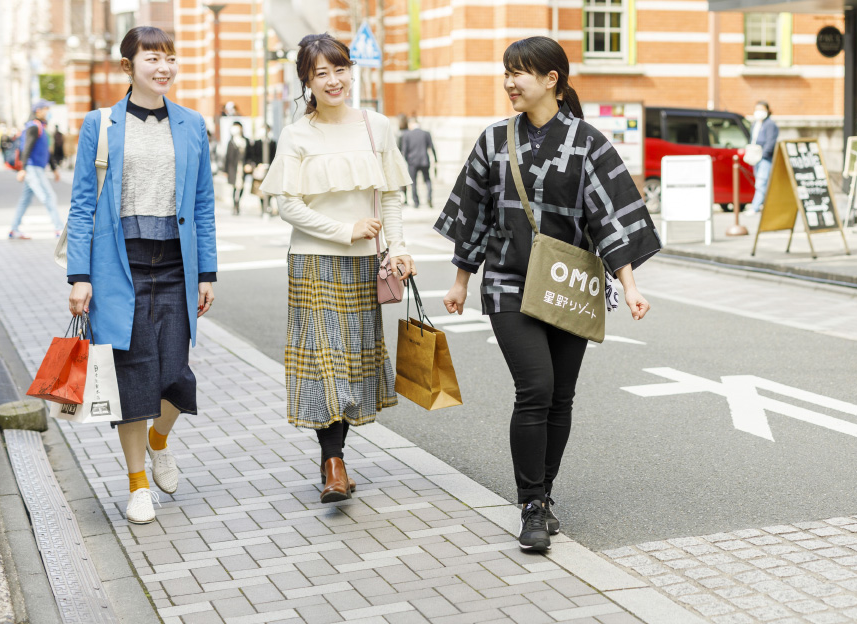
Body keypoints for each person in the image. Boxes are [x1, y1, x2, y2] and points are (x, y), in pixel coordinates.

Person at [437, 36, 660, 553]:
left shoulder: (588, 143)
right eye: (507, 72)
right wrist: (461, 280)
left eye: (520, 73)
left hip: (568, 287)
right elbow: (474, 214)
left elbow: (610, 218)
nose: (510, 82)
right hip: (509, 283)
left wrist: (629, 286)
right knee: (535, 388)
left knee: (561, 396)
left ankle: (547, 493)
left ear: (551, 80)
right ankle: (531, 503)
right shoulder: (493, 141)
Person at [65, 26, 217, 525]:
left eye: (170, 58)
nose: (164, 67)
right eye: (152, 57)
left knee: (174, 374)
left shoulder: (192, 125)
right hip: (118, 266)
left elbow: (202, 205)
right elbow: (84, 203)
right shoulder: (101, 124)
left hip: (176, 264)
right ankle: (136, 484)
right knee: (132, 378)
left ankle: (159, 439)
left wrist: (207, 272)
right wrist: (80, 275)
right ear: (128, 66)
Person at [259, 33, 415, 504]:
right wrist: (344, 229)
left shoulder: (376, 126)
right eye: (321, 73)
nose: (333, 80)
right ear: (307, 81)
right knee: (325, 361)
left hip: (365, 265)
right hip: (313, 262)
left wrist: (399, 246)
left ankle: (337, 456)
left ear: (351, 71)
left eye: (340, 69)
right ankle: (333, 464)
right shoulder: (297, 134)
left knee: (349, 362)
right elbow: (288, 205)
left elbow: (390, 194)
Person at [9, 100, 64, 239]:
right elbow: (26, 148)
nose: (48, 111)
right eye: (46, 108)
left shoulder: (40, 127)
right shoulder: (34, 127)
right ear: (38, 111)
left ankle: (14, 230)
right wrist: (23, 168)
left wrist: (54, 169)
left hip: (36, 168)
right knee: (48, 197)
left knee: (25, 200)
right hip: (33, 168)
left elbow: (46, 150)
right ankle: (59, 229)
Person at [747, 101, 779, 214]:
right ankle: (767, 205)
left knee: (761, 182)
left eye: (761, 109)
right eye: (757, 109)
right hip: (755, 156)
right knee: (760, 182)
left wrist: (763, 155)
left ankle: (755, 207)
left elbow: (771, 142)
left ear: (767, 110)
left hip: (765, 157)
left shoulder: (770, 124)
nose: (759, 112)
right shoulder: (755, 123)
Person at [401, 117, 437, 208]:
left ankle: (416, 202)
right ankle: (429, 198)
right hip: (425, 160)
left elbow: (404, 150)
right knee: (427, 180)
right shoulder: (426, 133)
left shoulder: (407, 134)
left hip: (412, 161)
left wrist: (405, 160)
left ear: (411, 124)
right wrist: (435, 159)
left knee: (413, 182)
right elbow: (431, 147)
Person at [224, 121, 250, 215]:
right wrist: (225, 170)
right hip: (233, 168)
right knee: (235, 186)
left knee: (242, 186)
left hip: (242, 167)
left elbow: (249, 155)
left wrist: (249, 164)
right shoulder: (231, 142)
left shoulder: (245, 140)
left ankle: (238, 202)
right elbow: (227, 157)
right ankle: (235, 205)